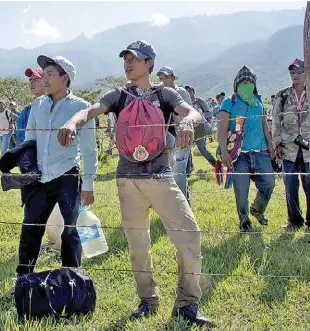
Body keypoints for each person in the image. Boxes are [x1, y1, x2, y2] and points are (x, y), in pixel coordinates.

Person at [58, 40, 213, 326]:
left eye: (136, 59)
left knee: (190, 236)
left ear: (150, 64)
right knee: (137, 245)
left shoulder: (164, 94)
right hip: (128, 179)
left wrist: (188, 122)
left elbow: (192, 112)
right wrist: (72, 122)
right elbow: (90, 111)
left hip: (162, 177)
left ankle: (187, 304)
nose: (129, 63)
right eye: (126, 59)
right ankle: (148, 300)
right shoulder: (118, 95)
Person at [17, 55, 98, 279]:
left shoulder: (82, 107)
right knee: (31, 227)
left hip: (67, 176)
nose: (45, 78)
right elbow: (30, 139)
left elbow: (90, 151)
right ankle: (24, 278)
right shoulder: (38, 104)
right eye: (45, 73)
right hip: (40, 177)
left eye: (50, 73)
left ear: (65, 78)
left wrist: (88, 184)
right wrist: (27, 169)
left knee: (70, 230)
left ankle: (72, 279)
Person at [218, 65, 275, 232]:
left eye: (249, 81)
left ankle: (257, 209)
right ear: (236, 83)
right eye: (242, 81)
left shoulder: (258, 101)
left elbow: (264, 124)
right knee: (241, 190)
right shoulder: (230, 101)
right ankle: (244, 221)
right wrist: (224, 150)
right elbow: (221, 128)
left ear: (254, 83)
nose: (246, 83)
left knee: (269, 183)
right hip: (239, 154)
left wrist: (270, 144)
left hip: (260, 151)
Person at [272, 59, 310, 231]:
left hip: (309, 149)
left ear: (307, 73)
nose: (296, 76)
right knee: (290, 186)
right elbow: (276, 120)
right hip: (288, 149)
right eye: (293, 72)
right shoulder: (282, 96)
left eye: (300, 72)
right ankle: (294, 220)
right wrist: (276, 143)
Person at [157, 66, 192, 201]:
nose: (164, 80)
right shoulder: (160, 94)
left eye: (166, 77)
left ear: (172, 78)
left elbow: (187, 115)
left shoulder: (181, 93)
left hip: (182, 135)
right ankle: (178, 203)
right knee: (171, 171)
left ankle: (183, 204)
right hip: (167, 137)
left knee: (179, 169)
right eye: (161, 78)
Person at [185, 85, 216, 167]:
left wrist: (200, 116)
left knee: (202, 150)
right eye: (186, 91)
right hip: (188, 129)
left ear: (193, 92)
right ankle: (188, 169)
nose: (188, 93)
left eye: (190, 91)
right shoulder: (183, 104)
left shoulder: (199, 101)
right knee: (186, 151)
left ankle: (216, 165)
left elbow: (208, 113)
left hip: (199, 129)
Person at [15, 68, 45, 144]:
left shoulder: (54, 105)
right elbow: (21, 132)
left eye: (36, 80)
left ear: (46, 81)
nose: (32, 83)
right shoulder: (27, 109)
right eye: (30, 80)